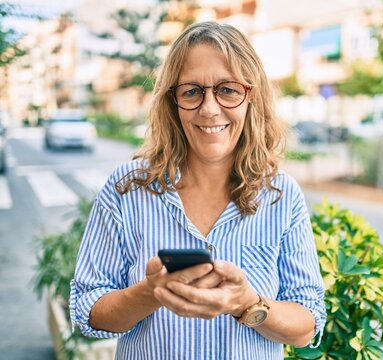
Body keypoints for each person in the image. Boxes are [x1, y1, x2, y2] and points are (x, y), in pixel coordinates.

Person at [70, 21, 326, 359]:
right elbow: (88, 311)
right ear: (172, 101)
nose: (209, 108)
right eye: (191, 90)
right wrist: (150, 292)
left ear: (252, 96)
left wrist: (247, 303)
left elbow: (307, 325)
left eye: (227, 89)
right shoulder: (126, 189)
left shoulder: (280, 194)